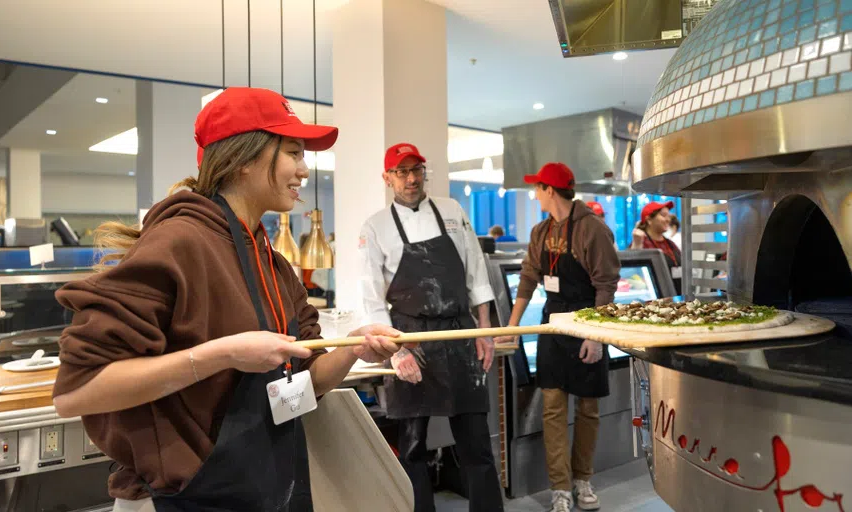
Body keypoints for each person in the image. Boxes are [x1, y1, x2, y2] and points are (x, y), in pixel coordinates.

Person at [51, 87, 404, 512]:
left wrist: (354, 347)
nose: (304, 170)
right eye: (293, 152)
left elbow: (307, 384)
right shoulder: (180, 242)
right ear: (244, 160)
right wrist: (223, 354)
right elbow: (77, 392)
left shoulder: (272, 264)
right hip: (196, 495)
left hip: (273, 485)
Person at [359, 142, 504, 512]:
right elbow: (372, 298)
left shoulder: (452, 210)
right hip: (411, 340)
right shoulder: (375, 227)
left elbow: (476, 270)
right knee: (411, 449)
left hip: (459, 334)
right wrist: (398, 351)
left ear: (424, 171)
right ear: (387, 177)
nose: (410, 178)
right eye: (402, 171)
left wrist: (483, 331)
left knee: (477, 446)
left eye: (416, 169)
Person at [494, 162, 620, 512]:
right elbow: (528, 279)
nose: (535, 194)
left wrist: (594, 337)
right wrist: (513, 327)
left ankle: (583, 479)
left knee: (588, 409)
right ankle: (560, 488)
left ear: (550, 190)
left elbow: (606, 285)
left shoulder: (592, 229)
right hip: (553, 325)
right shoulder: (540, 232)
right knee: (552, 408)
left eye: (537, 188)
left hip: (586, 322)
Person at [631, 201, 682, 292]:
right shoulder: (642, 243)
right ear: (649, 220)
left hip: (677, 296)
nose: (668, 220)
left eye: (668, 216)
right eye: (663, 215)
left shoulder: (670, 243)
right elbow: (633, 269)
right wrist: (637, 245)